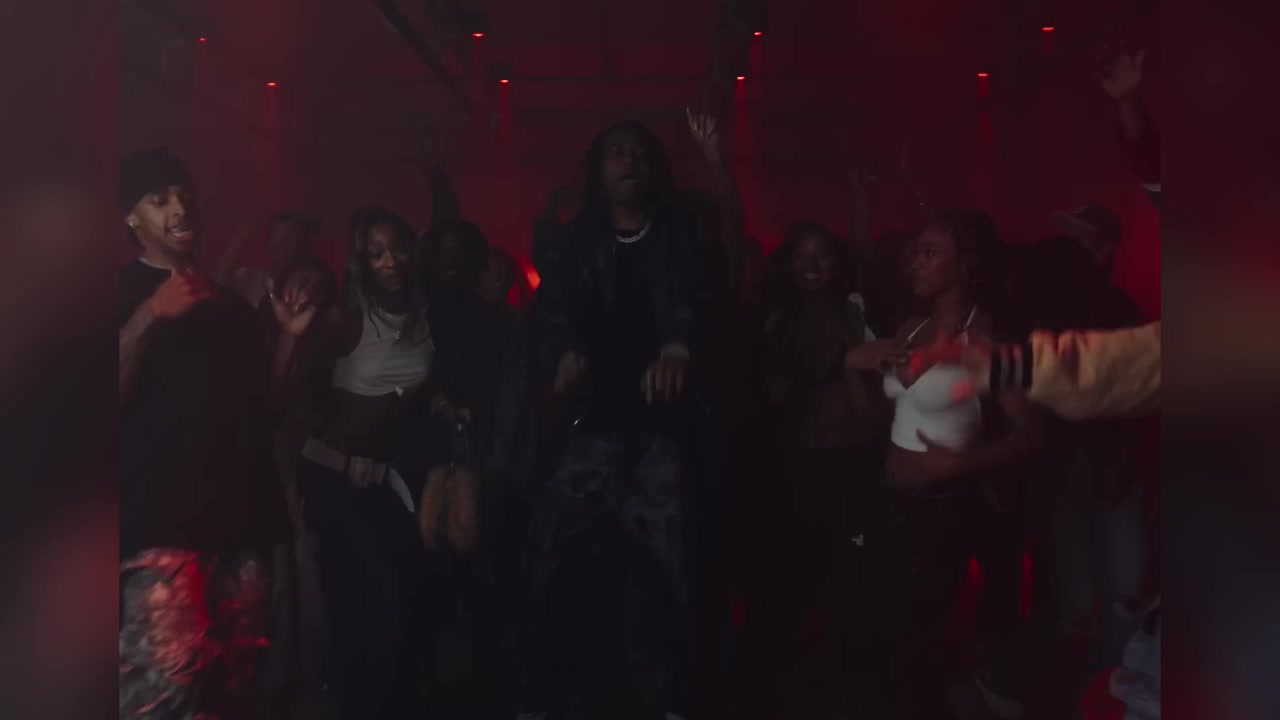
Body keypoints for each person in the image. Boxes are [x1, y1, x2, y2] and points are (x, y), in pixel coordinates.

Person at [520, 120, 713, 720]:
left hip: (664, 431)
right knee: (554, 562)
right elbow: (552, 314)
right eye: (617, 153)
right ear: (599, 170)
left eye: (638, 153)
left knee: (672, 572)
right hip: (593, 426)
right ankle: (542, 696)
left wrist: (680, 347)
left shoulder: (681, 233)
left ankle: (673, 700)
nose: (629, 162)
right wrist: (562, 356)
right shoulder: (576, 242)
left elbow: (699, 300)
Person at [846, 208, 1044, 719]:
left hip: (940, 510)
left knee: (917, 643)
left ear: (966, 265)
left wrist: (962, 466)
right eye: (915, 251)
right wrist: (851, 367)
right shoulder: (910, 328)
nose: (914, 261)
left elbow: (1032, 435)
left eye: (929, 252)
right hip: (889, 499)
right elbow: (881, 418)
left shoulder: (987, 342)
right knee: (882, 633)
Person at [117, 147, 289, 719]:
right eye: (158, 199)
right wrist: (149, 315)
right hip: (160, 528)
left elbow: (267, 411)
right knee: (166, 688)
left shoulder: (231, 306)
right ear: (131, 217)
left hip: (240, 526)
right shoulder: (113, 294)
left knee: (236, 685)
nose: (179, 208)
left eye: (184, 196)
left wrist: (290, 342)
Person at [268, 205, 441, 719]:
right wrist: (291, 336)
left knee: (408, 597)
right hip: (332, 477)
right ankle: (354, 702)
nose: (390, 261)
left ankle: (384, 701)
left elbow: (416, 389)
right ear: (362, 262)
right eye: (376, 253)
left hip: (385, 478)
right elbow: (279, 400)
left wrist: (441, 403)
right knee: (368, 601)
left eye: (398, 249)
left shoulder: (427, 317)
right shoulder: (346, 320)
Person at [751, 221, 887, 718]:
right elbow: (766, 398)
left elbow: (877, 390)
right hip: (795, 464)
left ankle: (844, 686)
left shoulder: (855, 310)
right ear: (787, 263)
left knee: (849, 578)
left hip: (851, 460)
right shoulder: (773, 318)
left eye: (823, 254)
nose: (812, 265)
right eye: (802, 255)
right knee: (792, 578)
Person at [214, 211, 316, 311]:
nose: (292, 247)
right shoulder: (251, 277)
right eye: (284, 240)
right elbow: (219, 286)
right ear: (270, 243)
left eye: (298, 241)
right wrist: (237, 243)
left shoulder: (309, 286)